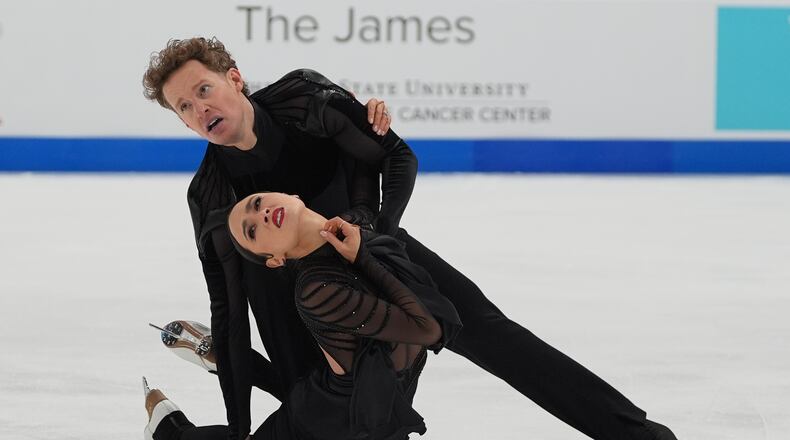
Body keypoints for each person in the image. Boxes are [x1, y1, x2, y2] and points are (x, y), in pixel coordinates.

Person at [142, 37, 677, 440]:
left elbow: (398, 157)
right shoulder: (211, 196)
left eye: (203, 90)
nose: (199, 109)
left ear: (234, 79)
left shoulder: (305, 99)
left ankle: (638, 435)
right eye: (184, 107)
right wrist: (238, 427)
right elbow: (231, 310)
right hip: (294, 297)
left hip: (376, 244)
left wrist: (376, 235)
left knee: (495, 336)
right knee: (338, 414)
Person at [144, 192, 462, 440]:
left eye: (257, 204)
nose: (263, 214)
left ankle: (231, 362)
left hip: (377, 392)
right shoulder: (317, 288)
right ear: (275, 259)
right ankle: (168, 427)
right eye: (252, 230)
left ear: (292, 197)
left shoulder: (353, 235)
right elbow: (428, 330)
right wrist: (363, 256)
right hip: (332, 418)